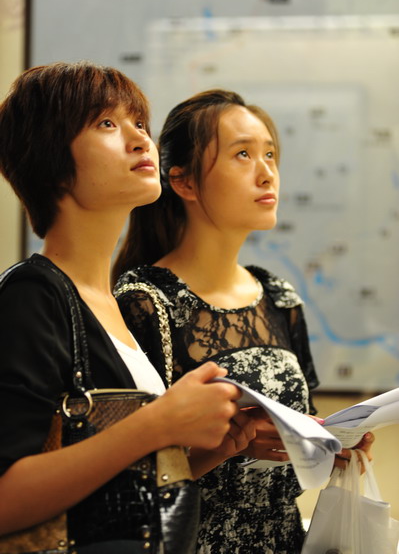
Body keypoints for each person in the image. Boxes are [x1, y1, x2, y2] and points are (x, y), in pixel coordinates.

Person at [0, 65, 258, 554]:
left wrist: (211, 451)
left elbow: (112, 487)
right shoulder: (32, 295)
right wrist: (158, 424)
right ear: (51, 158)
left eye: (140, 123)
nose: (142, 140)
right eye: (107, 124)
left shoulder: (111, 303)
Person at [113, 89, 374, 554]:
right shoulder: (147, 301)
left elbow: (301, 435)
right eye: (243, 154)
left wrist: (334, 445)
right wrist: (226, 445)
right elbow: (123, 470)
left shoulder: (278, 296)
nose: (266, 171)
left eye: (270, 153)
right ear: (185, 182)